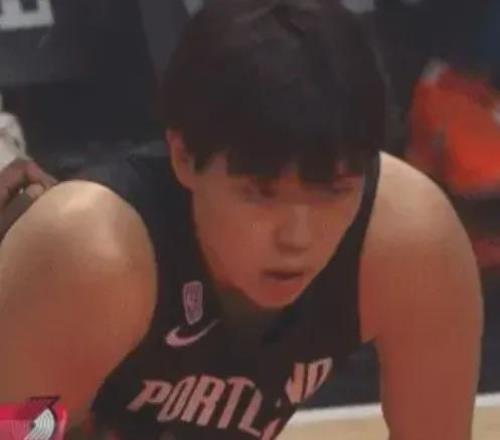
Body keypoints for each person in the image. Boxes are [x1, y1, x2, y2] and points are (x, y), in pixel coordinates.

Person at [0, 0, 483, 439]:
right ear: (184, 156)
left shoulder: (411, 243)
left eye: (333, 192)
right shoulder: (90, 256)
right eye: (260, 195)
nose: (297, 237)